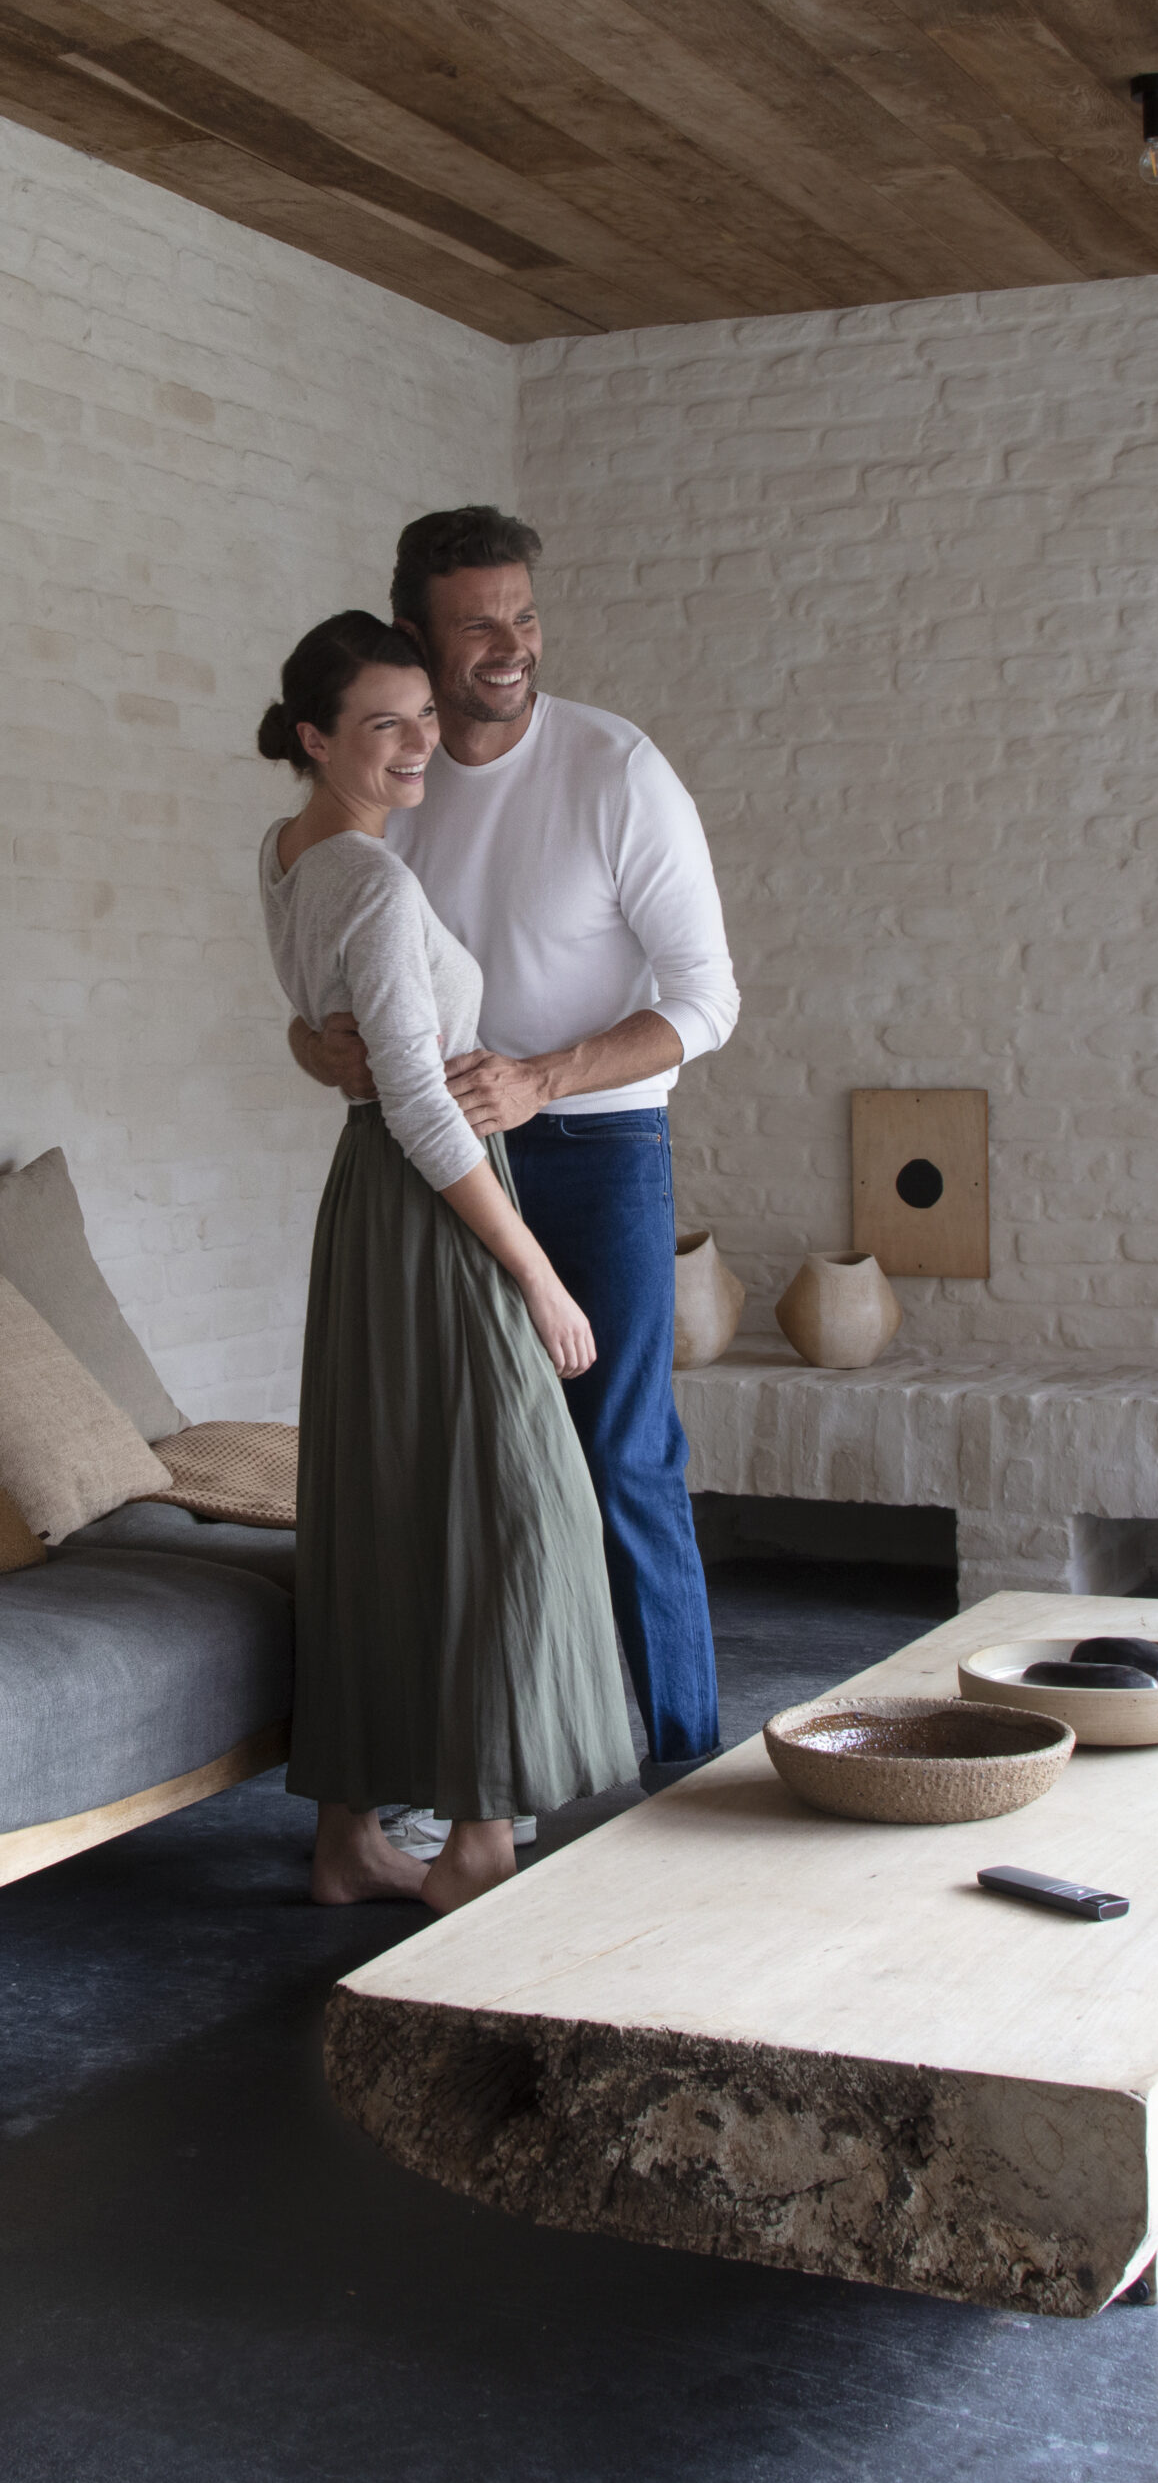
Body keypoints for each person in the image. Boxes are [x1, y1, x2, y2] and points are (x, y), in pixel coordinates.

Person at [286, 509, 739, 1786]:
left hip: (596, 1151)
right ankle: (488, 1783)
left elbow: (708, 1001)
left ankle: (679, 1769)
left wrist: (543, 1078)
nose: (511, 645)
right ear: (414, 634)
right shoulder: (394, 772)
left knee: (619, 1453)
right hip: (430, 1163)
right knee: (456, 1469)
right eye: (477, 623)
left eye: (525, 616)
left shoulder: (617, 769)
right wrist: (314, 1047)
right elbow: (340, 972)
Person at [258, 613, 637, 1911]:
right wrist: (538, 1272)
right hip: (429, 1200)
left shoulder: (288, 852)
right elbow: (420, 1103)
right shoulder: (366, 880)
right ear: (316, 737)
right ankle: (474, 1842)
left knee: (383, 1500)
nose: (422, 742)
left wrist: (320, 1049)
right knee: (519, 1503)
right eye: (387, 723)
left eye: (425, 716)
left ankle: (349, 1840)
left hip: (366, 1207)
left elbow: (324, 1031)